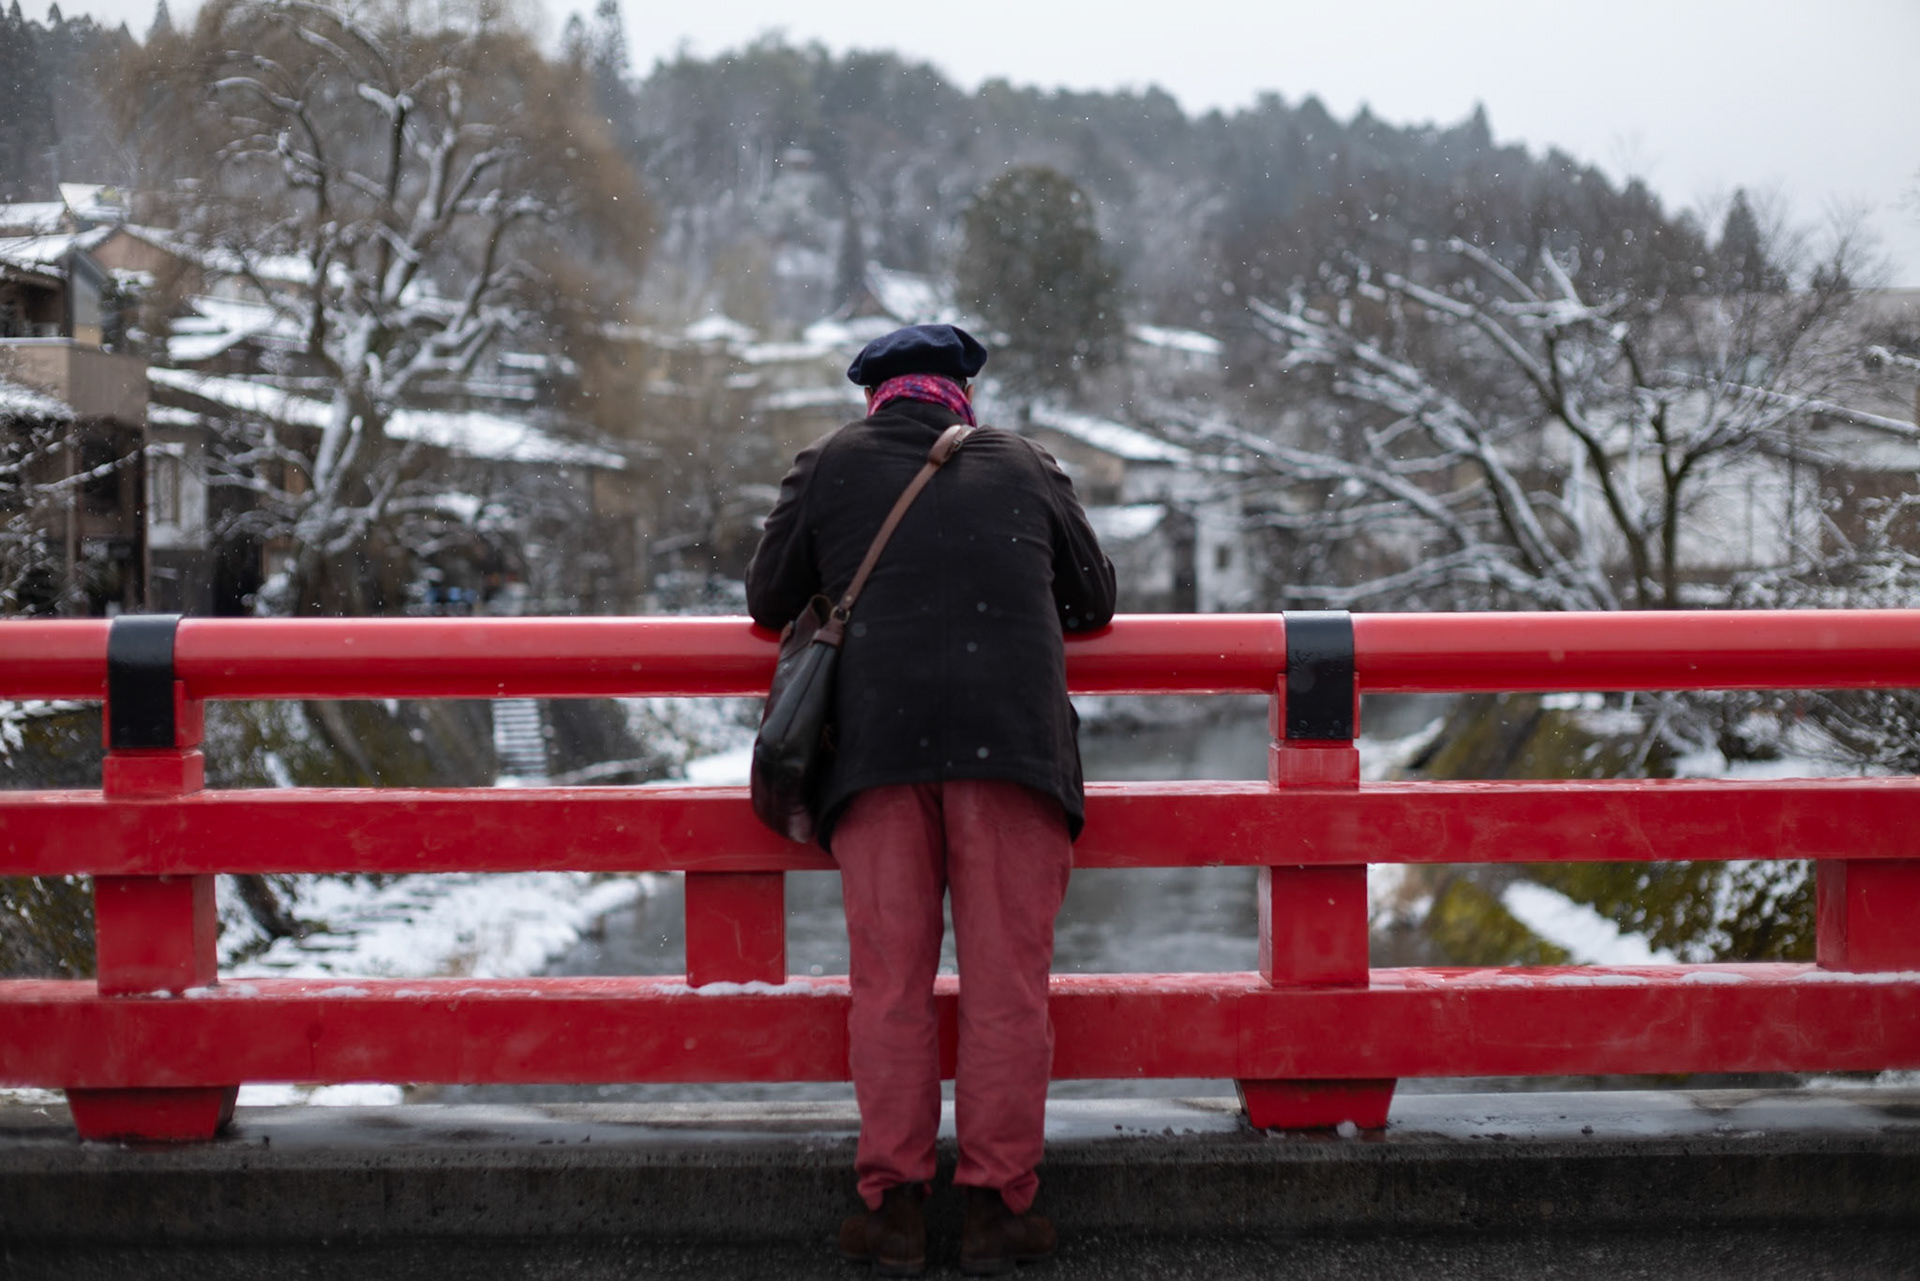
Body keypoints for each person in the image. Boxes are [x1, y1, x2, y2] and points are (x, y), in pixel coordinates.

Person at [746, 323, 1116, 1276]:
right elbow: (1095, 600)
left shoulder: (828, 462)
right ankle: (999, 1208)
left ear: (877, 395)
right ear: (962, 394)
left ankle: (893, 1208)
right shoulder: (1027, 465)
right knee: (1006, 987)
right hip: (1013, 752)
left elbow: (766, 595)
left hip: (876, 748)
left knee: (891, 984)